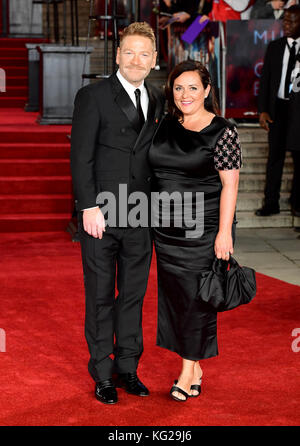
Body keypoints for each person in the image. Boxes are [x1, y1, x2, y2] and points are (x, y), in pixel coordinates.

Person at [70, 22, 165, 405]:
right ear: (118, 54)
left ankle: (128, 369)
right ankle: (103, 373)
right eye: (129, 52)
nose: (136, 59)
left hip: (141, 216)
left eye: (144, 53)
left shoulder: (158, 100)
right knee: (99, 296)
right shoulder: (92, 96)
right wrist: (87, 207)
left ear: (155, 60)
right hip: (102, 214)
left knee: (133, 296)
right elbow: (81, 157)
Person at [149, 60, 242, 401]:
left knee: (197, 301)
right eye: (178, 88)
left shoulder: (223, 131)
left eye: (192, 87)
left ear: (206, 90)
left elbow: (230, 186)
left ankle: (187, 371)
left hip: (201, 231)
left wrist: (224, 233)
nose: (184, 95)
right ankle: (196, 367)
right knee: (175, 300)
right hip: (164, 231)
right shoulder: (163, 124)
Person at [255, 5, 300, 217]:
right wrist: (263, 110)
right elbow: (265, 82)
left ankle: (296, 203)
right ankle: (270, 202)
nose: (287, 25)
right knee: (275, 158)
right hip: (278, 109)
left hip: (298, 111)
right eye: (285, 21)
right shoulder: (275, 46)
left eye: (292, 21)